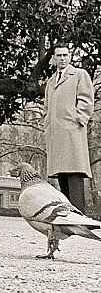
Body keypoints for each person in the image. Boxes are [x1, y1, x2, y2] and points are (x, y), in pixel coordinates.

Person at [43, 43, 94, 211]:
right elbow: (47, 108)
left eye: (65, 55)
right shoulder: (51, 81)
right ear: (54, 58)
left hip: (72, 133)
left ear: (70, 57)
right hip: (56, 134)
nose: (62, 59)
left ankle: (79, 217)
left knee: (74, 174)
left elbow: (86, 100)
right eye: (59, 55)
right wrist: (48, 124)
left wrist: (78, 119)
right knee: (62, 175)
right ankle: (68, 218)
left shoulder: (79, 74)